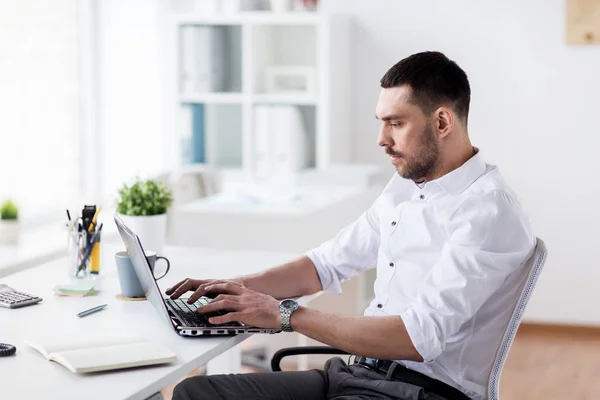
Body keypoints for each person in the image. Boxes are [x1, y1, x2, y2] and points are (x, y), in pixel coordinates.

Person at [168, 51, 535, 400]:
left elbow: (417, 339)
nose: (382, 139)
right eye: (382, 122)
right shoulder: (406, 186)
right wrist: (238, 288)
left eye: (396, 123)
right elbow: (325, 264)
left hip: (419, 391)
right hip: (359, 374)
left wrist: (285, 315)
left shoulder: (487, 212)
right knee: (194, 393)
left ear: (442, 121)